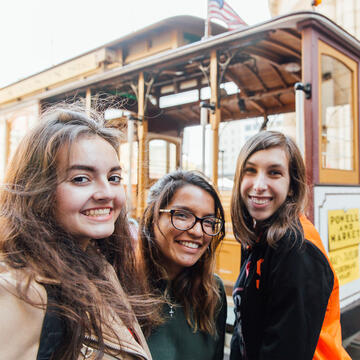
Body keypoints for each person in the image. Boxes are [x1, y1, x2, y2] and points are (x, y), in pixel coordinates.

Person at [0, 105, 155, 360]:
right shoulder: (19, 291)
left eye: (114, 177)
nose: (106, 193)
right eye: (81, 179)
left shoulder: (100, 266)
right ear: (39, 189)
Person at [230, 130, 350, 360]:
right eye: (250, 171)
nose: (258, 185)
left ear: (292, 186)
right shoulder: (258, 237)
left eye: (274, 173)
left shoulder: (298, 249)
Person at [138, 170, 227, 360]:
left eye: (209, 221)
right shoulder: (121, 288)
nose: (197, 231)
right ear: (153, 218)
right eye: (182, 215)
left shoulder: (212, 292)